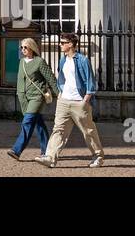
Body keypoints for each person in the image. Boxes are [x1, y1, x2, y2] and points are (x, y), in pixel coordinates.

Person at [37, 32, 104, 169]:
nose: (59, 45)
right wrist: (61, 94)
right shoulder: (62, 60)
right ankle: (50, 157)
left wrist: (86, 99)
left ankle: (98, 156)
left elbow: (90, 80)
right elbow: (62, 78)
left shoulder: (83, 60)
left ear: (71, 44)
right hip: (64, 100)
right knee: (58, 129)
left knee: (88, 131)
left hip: (79, 101)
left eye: (62, 43)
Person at [9, 37, 57, 160]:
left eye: (25, 47)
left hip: (36, 96)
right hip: (24, 97)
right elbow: (20, 81)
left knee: (27, 122)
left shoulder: (39, 61)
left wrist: (59, 93)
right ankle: (46, 150)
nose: (23, 49)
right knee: (38, 123)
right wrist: (19, 94)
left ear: (32, 48)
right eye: (22, 47)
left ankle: (16, 150)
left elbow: (50, 78)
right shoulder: (21, 62)